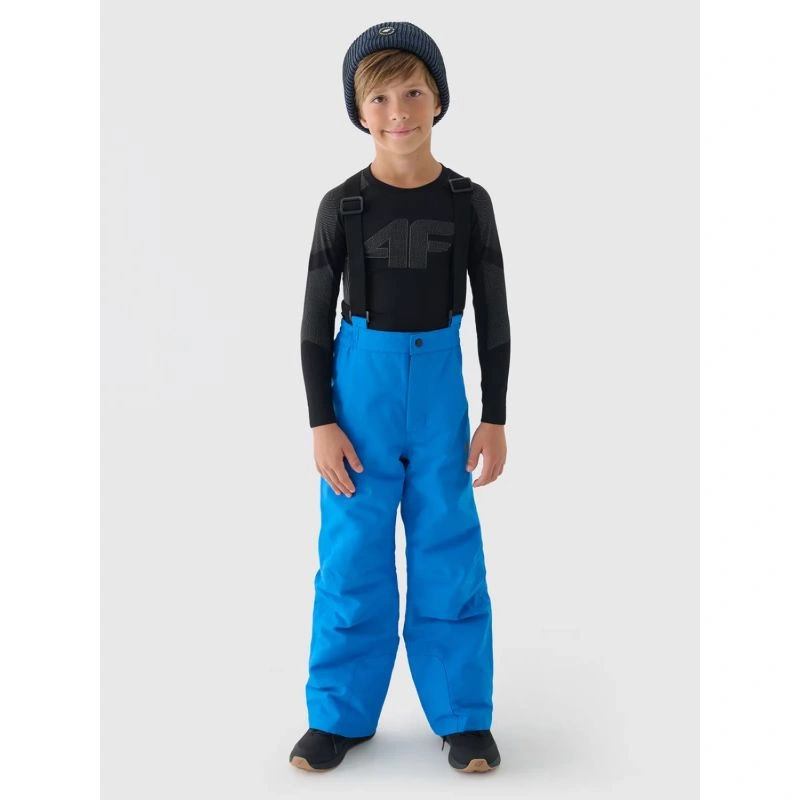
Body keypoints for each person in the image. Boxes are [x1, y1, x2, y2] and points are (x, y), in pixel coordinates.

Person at [290, 20, 511, 773]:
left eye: (413, 92)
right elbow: (313, 325)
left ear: (438, 98)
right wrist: (321, 421)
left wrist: (495, 416)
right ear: (359, 112)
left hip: (441, 395)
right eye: (379, 98)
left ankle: (463, 716)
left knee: (449, 547)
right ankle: (338, 716)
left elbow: (495, 317)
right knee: (351, 554)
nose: (398, 112)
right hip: (361, 398)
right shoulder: (342, 205)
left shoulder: (468, 202)